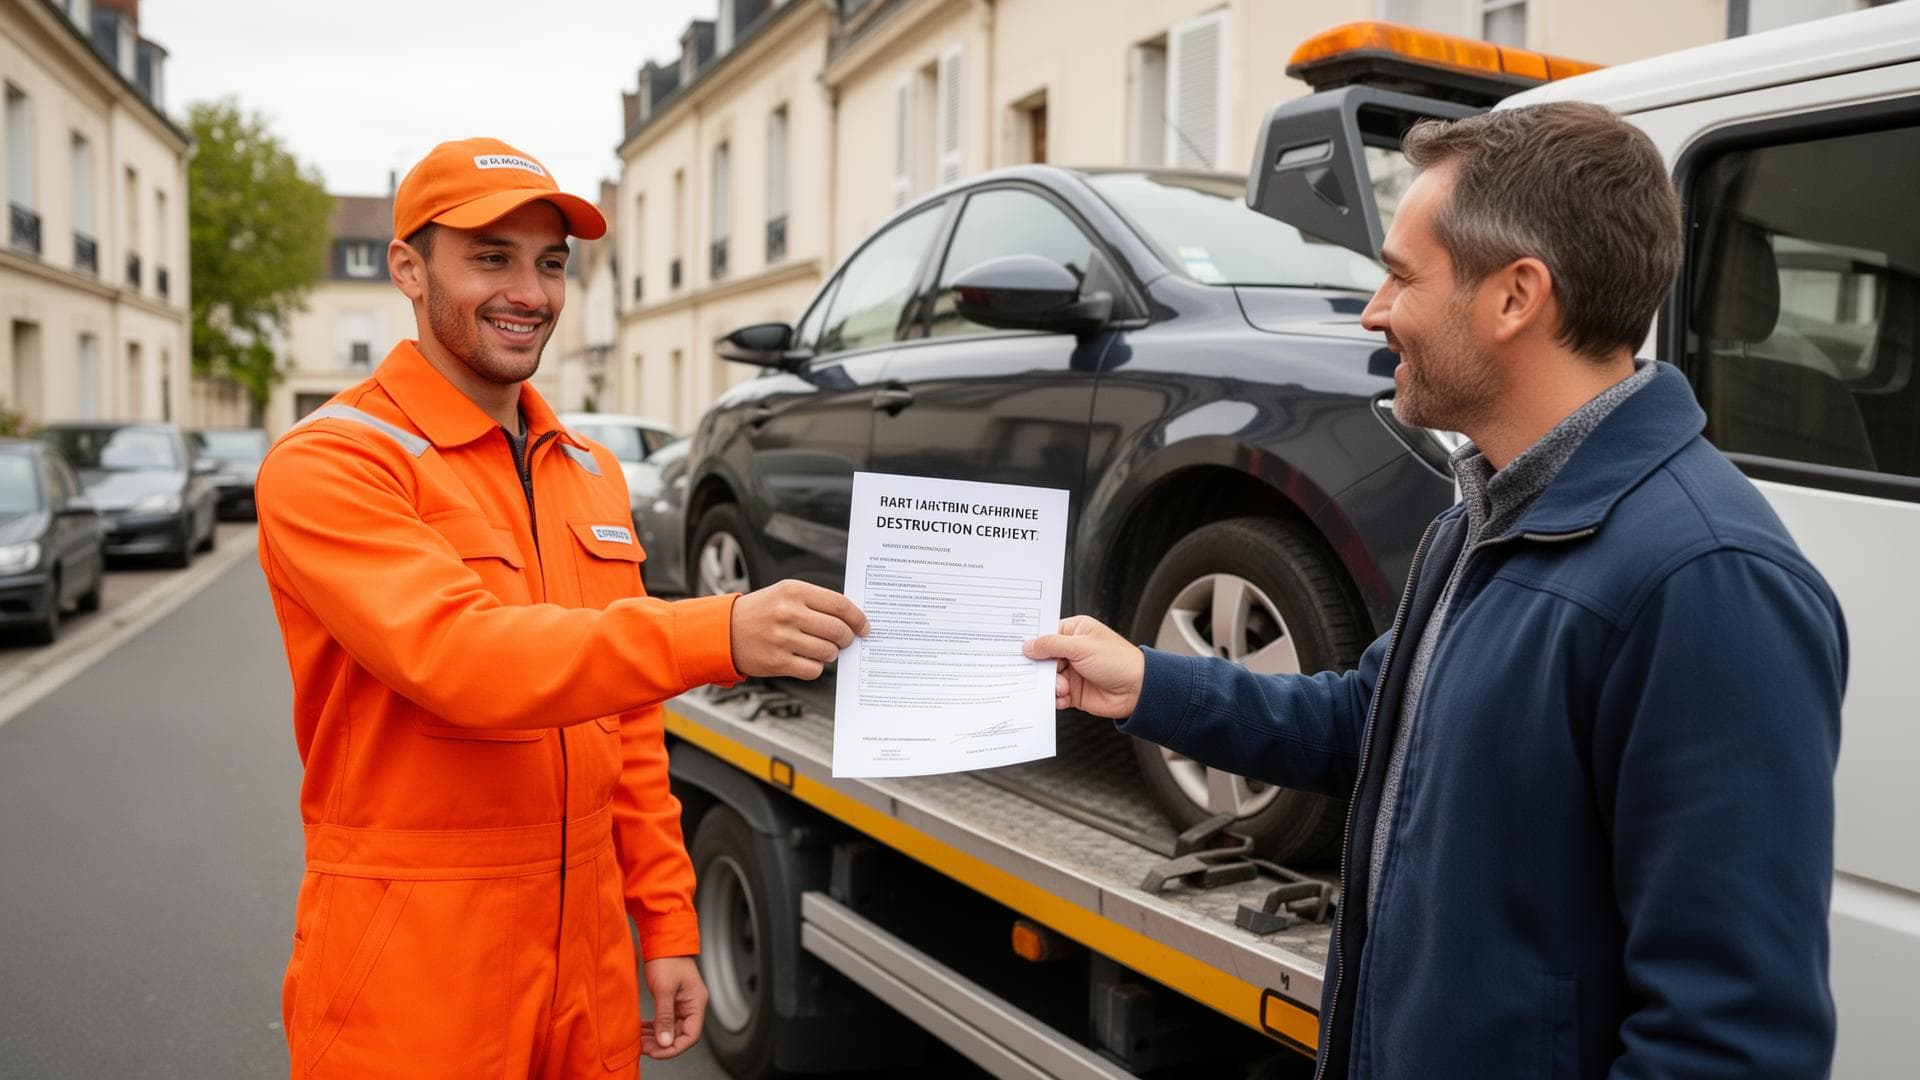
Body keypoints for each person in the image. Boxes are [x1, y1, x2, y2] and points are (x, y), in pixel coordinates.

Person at [1025, 103, 1846, 1078]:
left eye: (1401, 275)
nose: (1372, 311)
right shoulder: (1485, 518)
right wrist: (1149, 685)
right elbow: (1377, 722)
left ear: (1515, 297)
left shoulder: (1710, 585)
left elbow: (1729, 1047)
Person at [255, 137, 868, 1078]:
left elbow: (624, 721)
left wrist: (663, 922)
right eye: (491, 257)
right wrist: (721, 629)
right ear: (409, 271)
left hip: (582, 947)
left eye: (550, 263)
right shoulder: (333, 462)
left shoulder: (588, 470)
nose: (530, 293)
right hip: (415, 952)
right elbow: (460, 657)